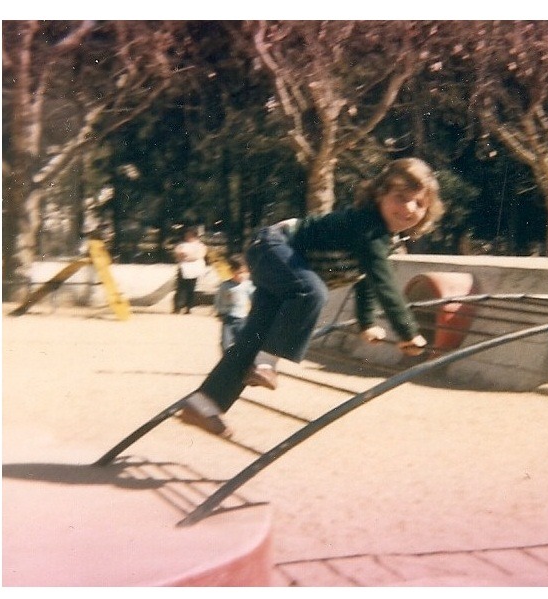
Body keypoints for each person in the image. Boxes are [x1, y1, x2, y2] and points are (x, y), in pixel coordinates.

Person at [178, 157, 444, 437]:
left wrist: (366, 323)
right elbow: (385, 284)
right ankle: (265, 364)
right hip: (273, 246)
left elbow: (366, 280)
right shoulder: (367, 225)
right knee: (312, 291)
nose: (408, 208)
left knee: (254, 337)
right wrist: (407, 331)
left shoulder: (383, 241)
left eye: (419, 203)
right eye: (400, 198)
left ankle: (203, 403)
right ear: (379, 195)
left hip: (282, 265)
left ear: (427, 211)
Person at [214, 254, 279, 389]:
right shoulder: (225, 286)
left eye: (245, 273)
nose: (242, 276)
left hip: (243, 318)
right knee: (226, 343)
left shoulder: (248, 286)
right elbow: (218, 300)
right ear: (232, 272)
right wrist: (219, 311)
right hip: (228, 318)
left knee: (244, 343)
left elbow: (256, 299)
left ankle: (247, 368)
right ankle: (228, 367)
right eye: (239, 273)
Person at [173, 227, 207, 314]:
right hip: (183, 268)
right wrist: (183, 256)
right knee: (180, 289)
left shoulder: (200, 246)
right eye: (186, 235)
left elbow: (198, 255)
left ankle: (189, 307)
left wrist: (187, 256)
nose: (187, 237)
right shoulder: (181, 245)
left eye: (190, 235)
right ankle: (177, 307)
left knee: (191, 289)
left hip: (194, 269)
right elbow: (177, 254)